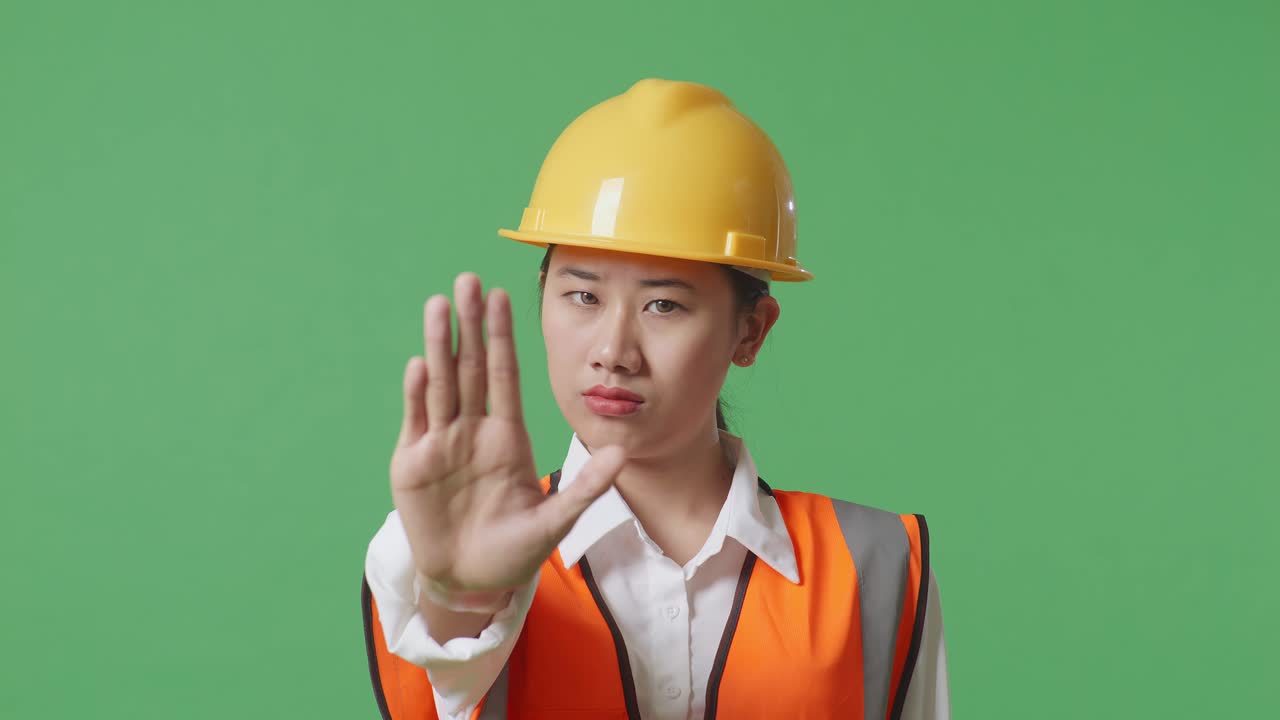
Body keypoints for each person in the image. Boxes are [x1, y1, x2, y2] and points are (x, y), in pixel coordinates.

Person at [361, 78, 950, 720]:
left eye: (664, 304)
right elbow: (444, 659)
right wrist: (461, 596)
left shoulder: (874, 565)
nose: (614, 350)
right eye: (582, 296)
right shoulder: (446, 545)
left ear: (750, 330)